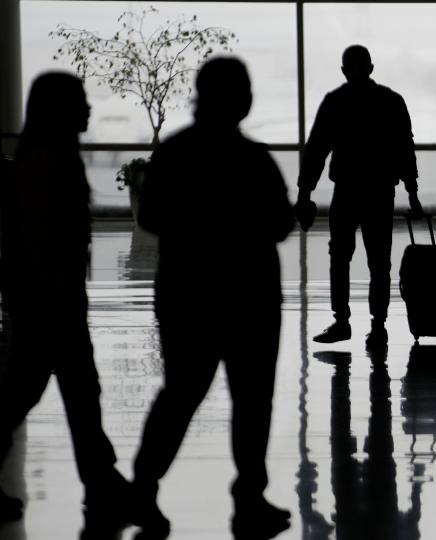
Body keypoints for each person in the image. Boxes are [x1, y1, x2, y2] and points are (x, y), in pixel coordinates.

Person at [130, 57, 294, 538]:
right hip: (251, 294)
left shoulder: (175, 153)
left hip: (187, 291)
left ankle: (144, 487)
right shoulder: (254, 159)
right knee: (252, 398)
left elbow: (152, 218)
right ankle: (249, 497)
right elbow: (282, 224)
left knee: (181, 393)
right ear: (239, 98)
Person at [0, 72, 129, 524]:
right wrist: (63, 298)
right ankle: (101, 481)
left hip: (45, 298)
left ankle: (102, 479)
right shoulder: (51, 163)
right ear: (60, 109)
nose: (89, 108)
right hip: (51, 300)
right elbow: (48, 240)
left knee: (52, 389)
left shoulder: (41, 158)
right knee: (51, 389)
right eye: (80, 101)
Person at [295, 45, 423, 348]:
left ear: (344, 70)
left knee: (339, 257)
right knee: (380, 262)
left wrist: (304, 193)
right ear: (371, 67)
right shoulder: (391, 101)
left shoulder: (335, 102)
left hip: (347, 191)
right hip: (380, 191)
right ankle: (378, 327)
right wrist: (412, 193)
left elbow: (316, 150)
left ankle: (342, 321)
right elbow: (405, 149)